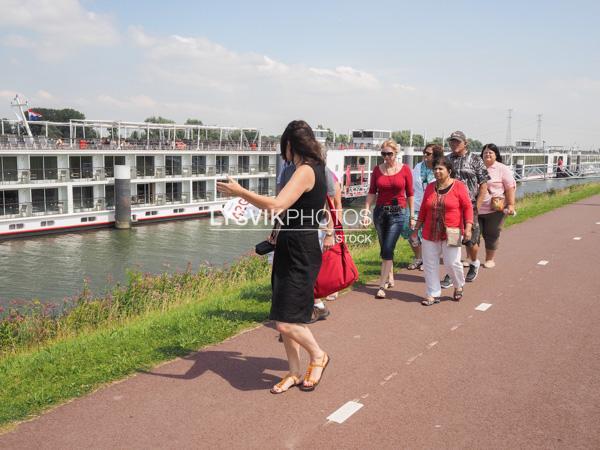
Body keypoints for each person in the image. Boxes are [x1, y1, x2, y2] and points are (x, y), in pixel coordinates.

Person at [217, 120, 330, 394]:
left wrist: (240, 192)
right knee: (285, 313)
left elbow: (278, 204)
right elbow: (282, 209)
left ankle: (318, 355)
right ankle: (293, 371)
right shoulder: (312, 168)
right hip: (290, 244)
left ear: (290, 145)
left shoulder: (305, 170)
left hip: (300, 247)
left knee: (285, 321)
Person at [411, 156, 473, 305]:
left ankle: (458, 285)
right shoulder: (431, 187)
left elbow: (467, 207)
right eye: (435, 169)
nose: (437, 171)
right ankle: (433, 293)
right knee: (429, 263)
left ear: (449, 171)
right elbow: (424, 210)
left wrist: (468, 227)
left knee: (452, 263)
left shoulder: (458, 186)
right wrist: (415, 229)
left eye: (441, 169)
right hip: (429, 232)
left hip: (453, 232)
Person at [362, 139, 414, 299]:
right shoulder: (377, 170)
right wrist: (365, 211)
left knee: (387, 248)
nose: (386, 157)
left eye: (389, 154)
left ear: (396, 153)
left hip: (398, 213)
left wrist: (412, 216)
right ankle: (390, 276)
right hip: (380, 213)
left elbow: (410, 193)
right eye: (383, 154)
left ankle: (381, 285)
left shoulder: (405, 170)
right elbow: (372, 192)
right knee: (384, 247)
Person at [442, 131, 489, 287]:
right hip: (451, 207)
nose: (454, 144)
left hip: (470, 205)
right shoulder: (447, 159)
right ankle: (452, 273)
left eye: (457, 142)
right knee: (452, 240)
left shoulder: (475, 160)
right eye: (452, 142)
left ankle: (474, 262)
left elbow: (483, 184)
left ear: (465, 143)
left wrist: (478, 205)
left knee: (471, 240)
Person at [477, 144, 516, 268]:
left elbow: (510, 188)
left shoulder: (502, 168)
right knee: (473, 235)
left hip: (495, 209)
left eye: (490, 153)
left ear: (496, 155)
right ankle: (471, 258)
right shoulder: (477, 166)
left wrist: (511, 205)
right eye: (485, 153)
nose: (487, 155)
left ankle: (489, 259)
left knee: (492, 234)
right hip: (476, 208)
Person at [408, 144, 445, 270]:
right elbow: (411, 187)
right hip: (418, 205)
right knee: (411, 233)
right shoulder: (418, 167)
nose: (425, 155)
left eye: (428, 153)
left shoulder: (439, 169)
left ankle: (429, 260)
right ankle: (418, 257)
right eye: (424, 152)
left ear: (436, 155)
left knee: (430, 235)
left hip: (433, 207)